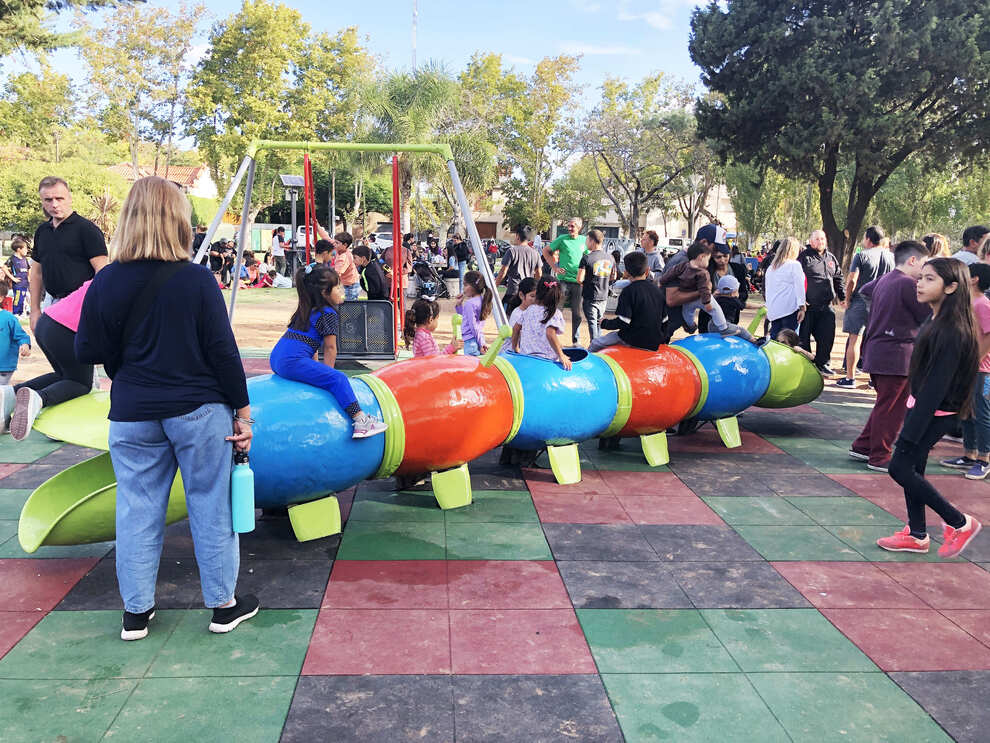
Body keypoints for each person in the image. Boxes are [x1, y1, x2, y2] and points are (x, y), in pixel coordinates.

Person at [73, 176, 258, 640]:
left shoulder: (106, 281)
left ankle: (136, 613)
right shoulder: (196, 279)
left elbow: (86, 349)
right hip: (198, 410)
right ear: (178, 220)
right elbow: (223, 351)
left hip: (133, 411)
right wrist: (242, 410)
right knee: (209, 505)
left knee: (137, 510)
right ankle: (222, 605)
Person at [877, 257, 983, 558]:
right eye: (920, 277)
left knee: (899, 468)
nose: (919, 284)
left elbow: (936, 387)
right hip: (923, 406)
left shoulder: (952, 331)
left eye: (929, 279)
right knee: (915, 468)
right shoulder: (934, 319)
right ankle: (917, 533)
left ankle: (959, 522)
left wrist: (911, 431)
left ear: (951, 287)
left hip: (935, 412)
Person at [269, 264, 387, 439]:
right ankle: (360, 420)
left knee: (324, 375)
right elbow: (330, 348)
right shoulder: (328, 313)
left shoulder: (306, 308)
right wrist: (329, 375)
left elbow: (311, 345)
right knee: (338, 378)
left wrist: (317, 369)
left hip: (277, 359)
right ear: (324, 293)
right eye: (337, 288)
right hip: (292, 361)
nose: (341, 291)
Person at [848, 241, 930, 471]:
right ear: (913, 261)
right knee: (894, 408)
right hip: (897, 355)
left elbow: (864, 290)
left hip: (880, 350)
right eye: (924, 265)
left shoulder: (886, 279)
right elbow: (927, 314)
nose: (925, 274)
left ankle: (863, 446)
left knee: (886, 404)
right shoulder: (908, 284)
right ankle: (880, 456)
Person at [30, 177, 108, 332]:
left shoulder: (87, 230)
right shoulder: (42, 231)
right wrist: (34, 310)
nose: (54, 204)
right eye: (48, 199)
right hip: (51, 303)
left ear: (69, 198)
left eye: (59, 198)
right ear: (42, 202)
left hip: (80, 305)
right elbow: (36, 273)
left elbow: (102, 272)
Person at [939, 263, 990, 479]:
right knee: (967, 412)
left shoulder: (982, 304)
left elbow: (988, 335)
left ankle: (984, 459)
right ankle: (969, 455)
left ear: (975, 279)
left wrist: (976, 359)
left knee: (982, 413)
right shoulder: (967, 302)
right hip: (967, 366)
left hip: (982, 370)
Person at [660, 242, 754, 340]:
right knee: (715, 309)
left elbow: (670, 273)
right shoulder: (704, 272)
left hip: (688, 298)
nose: (722, 260)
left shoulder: (683, 266)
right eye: (716, 257)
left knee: (687, 312)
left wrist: (661, 281)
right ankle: (723, 327)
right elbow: (704, 290)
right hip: (700, 300)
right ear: (702, 257)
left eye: (725, 256)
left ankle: (690, 325)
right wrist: (707, 302)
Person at [838, 226, 895, 388]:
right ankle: (873, 379)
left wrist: (847, 299)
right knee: (876, 341)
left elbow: (852, 280)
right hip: (882, 302)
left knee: (855, 340)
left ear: (868, 239)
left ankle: (850, 377)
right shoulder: (891, 257)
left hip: (861, 301)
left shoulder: (861, 255)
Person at [590, 251, 664, 352]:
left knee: (596, 343)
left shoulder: (628, 291)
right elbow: (665, 320)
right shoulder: (657, 291)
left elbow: (624, 322)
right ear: (647, 271)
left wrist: (604, 323)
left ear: (626, 272)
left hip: (632, 340)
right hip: (654, 343)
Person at [798, 229, 844, 374]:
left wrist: (842, 297)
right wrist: (800, 301)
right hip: (808, 307)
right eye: (817, 239)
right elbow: (797, 281)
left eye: (822, 239)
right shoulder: (804, 258)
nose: (820, 242)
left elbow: (838, 278)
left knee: (827, 337)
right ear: (811, 241)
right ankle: (807, 365)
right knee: (803, 339)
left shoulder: (831, 258)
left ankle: (822, 364)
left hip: (826, 307)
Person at [542, 218, 588, 345]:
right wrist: (555, 267)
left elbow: (589, 258)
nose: (569, 228)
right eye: (569, 226)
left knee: (577, 312)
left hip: (578, 282)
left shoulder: (584, 241)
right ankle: (552, 337)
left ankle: (575, 340)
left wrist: (585, 277)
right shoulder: (562, 239)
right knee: (557, 309)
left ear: (579, 227)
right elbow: (546, 251)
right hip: (563, 282)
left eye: (572, 226)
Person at [512, 279, 571, 370]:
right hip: (545, 361)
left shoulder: (529, 309)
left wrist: (515, 349)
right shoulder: (554, 313)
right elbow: (550, 334)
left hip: (526, 358)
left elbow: (516, 328)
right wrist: (561, 355)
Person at [577, 229, 616, 343]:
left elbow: (579, 279)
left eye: (587, 240)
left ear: (592, 241)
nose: (586, 243)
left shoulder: (586, 258)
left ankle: (595, 346)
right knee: (599, 322)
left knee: (593, 324)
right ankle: (599, 345)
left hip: (590, 296)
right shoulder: (610, 258)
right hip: (603, 296)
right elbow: (614, 276)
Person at [699, 244, 749, 332]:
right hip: (708, 318)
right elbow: (699, 294)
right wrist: (712, 296)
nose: (722, 260)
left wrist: (733, 297)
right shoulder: (706, 270)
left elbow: (744, 293)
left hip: (730, 319)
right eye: (718, 257)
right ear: (712, 257)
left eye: (725, 256)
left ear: (730, 254)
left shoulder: (738, 269)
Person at [764, 237, 806, 340]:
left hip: (774, 311)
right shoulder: (795, 265)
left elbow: (767, 289)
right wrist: (802, 306)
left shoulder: (771, 268)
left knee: (774, 340)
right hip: (789, 310)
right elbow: (800, 286)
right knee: (789, 342)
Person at [496, 225, 541, 312]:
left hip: (513, 291)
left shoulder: (512, 251)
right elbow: (539, 273)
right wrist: (536, 288)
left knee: (507, 318)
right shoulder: (535, 253)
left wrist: (495, 285)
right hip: (528, 293)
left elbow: (503, 271)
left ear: (517, 236)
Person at [0, 278, 31, 394]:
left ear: (1, 298)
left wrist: (25, 344)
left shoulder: (8, 318)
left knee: (1, 393)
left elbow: (21, 335)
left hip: (3, 366)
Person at [455, 270, 493, 357]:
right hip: (478, 338)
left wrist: (481, 344)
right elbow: (466, 318)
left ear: (473, 286)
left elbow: (473, 326)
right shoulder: (482, 300)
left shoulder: (470, 303)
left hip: (471, 342)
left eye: (465, 285)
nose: (463, 288)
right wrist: (459, 304)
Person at [502, 277, 537, 353]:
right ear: (521, 295)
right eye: (532, 296)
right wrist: (517, 350)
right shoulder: (518, 314)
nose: (535, 300)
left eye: (538, 296)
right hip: (512, 351)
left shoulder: (532, 312)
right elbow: (516, 334)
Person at [4, 237, 31, 315]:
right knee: (18, 298)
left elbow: (29, 268)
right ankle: (16, 313)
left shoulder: (25, 259)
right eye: (25, 248)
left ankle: (22, 313)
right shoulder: (12, 259)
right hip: (18, 284)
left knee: (25, 298)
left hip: (25, 283)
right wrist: (13, 278)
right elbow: (4, 267)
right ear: (19, 249)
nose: (27, 250)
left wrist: (29, 278)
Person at [331, 232, 360, 300]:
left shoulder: (344, 257)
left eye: (337, 243)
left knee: (351, 304)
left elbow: (337, 273)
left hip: (352, 284)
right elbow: (327, 238)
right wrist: (318, 227)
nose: (334, 244)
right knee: (350, 302)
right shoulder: (340, 250)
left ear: (345, 245)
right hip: (348, 282)